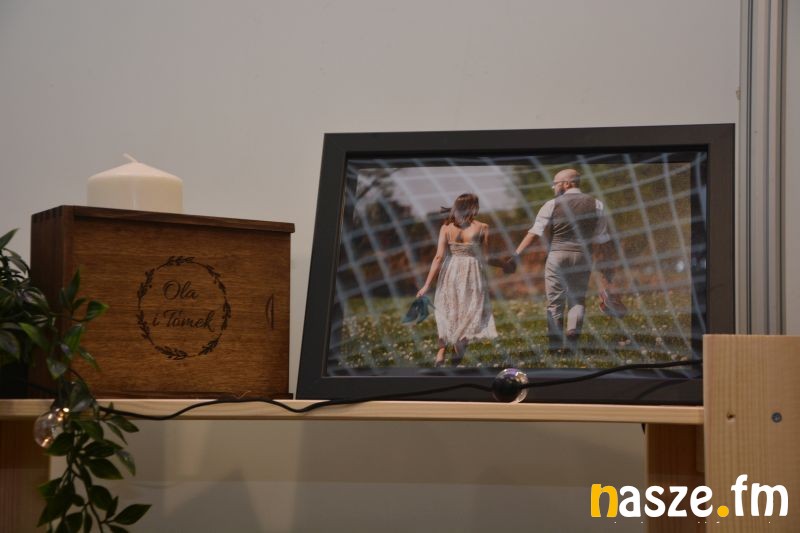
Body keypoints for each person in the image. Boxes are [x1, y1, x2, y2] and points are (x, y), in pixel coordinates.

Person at [509, 169, 613, 355]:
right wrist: (607, 266)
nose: (554, 187)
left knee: (555, 302)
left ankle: (555, 347)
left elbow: (534, 232)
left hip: (558, 255)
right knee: (577, 299)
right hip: (583, 256)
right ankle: (572, 337)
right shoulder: (597, 204)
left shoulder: (552, 204)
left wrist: (516, 255)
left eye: (555, 183)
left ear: (567, 184)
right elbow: (603, 239)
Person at [417, 193, 498, 366]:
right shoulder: (483, 227)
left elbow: (438, 257)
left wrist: (426, 285)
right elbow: (486, 258)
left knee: (448, 311)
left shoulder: (446, 227)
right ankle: (454, 364)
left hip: (451, 271)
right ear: (473, 207)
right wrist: (505, 265)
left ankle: (441, 352)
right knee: (469, 314)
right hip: (472, 273)